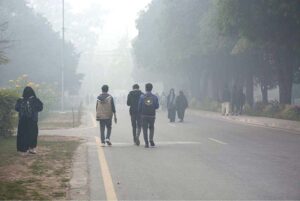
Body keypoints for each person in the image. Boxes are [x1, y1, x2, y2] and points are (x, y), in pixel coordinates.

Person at [15, 86, 43, 154]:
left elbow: (16, 108)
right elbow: (40, 108)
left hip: (23, 120)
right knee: (32, 134)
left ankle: (23, 149)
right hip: (32, 120)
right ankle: (32, 148)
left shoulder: (20, 100)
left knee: (22, 134)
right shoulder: (35, 99)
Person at [138, 83, 159, 148]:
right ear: (151, 88)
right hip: (152, 115)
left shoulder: (142, 97)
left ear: (145, 88)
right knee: (151, 127)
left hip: (144, 115)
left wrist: (140, 113)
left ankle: (146, 142)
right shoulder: (155, 97)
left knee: (144, 129)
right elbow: (157, 106)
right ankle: (151, 139)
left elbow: (139, 106)